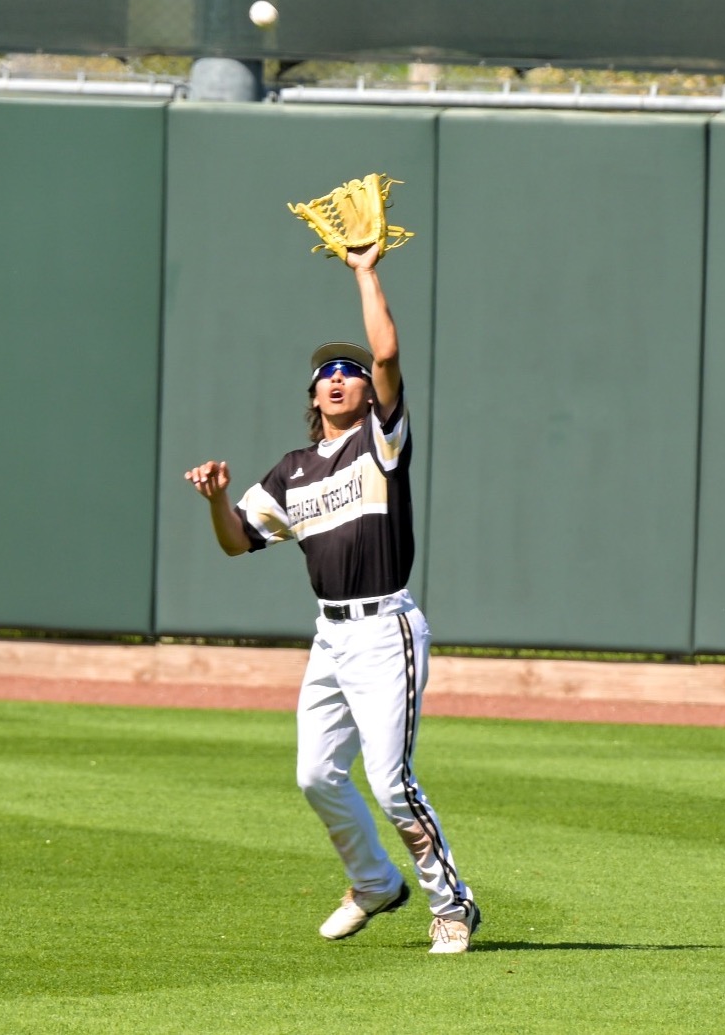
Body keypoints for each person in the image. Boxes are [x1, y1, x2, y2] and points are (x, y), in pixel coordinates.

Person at [183, 243, 479, 954]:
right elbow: (236, 541)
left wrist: (363, 271)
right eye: (328, 376)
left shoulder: (380, 443)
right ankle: (376, 881)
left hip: (387, 627)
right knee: (315, 773)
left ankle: (452, 904)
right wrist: (218, 500)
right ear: (314, 396)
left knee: (390, 781)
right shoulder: (292, 471)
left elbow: (387, 353)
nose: (342, 379)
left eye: (350, 373)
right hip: (331, 637)